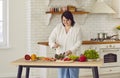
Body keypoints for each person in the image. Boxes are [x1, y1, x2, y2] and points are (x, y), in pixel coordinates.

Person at [48, 10, 82, 78]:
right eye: (63, 20)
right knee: (62, 76)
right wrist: (53, 45)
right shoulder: (58, 27)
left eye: (67, 20)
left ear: (71, 19)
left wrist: (71, 50)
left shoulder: (77, 28)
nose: (65, 22)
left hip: (73, 56)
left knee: (73, 76)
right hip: (61, 57)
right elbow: (51, 38)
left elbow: (79, 42)